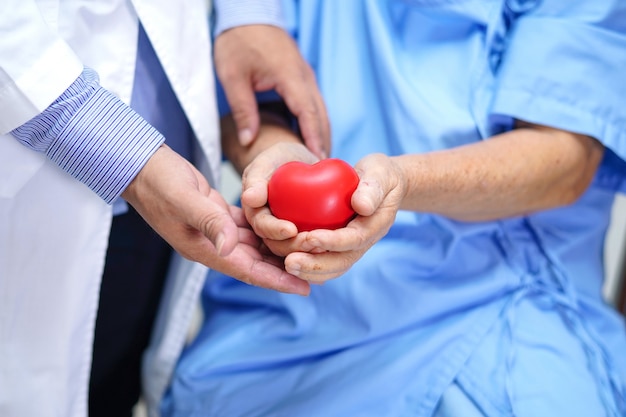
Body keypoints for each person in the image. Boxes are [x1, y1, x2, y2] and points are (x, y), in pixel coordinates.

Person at [162, 1, 626, 416]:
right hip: (290, 304)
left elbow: (566, 160)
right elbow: (246, 103)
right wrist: (278, 163)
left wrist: (400, 183)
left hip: (490, 294)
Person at [0, 1, 329, 416]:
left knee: (111, 384)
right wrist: (112, 146)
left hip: (164, 190)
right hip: (40, 167)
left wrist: (246, 13)